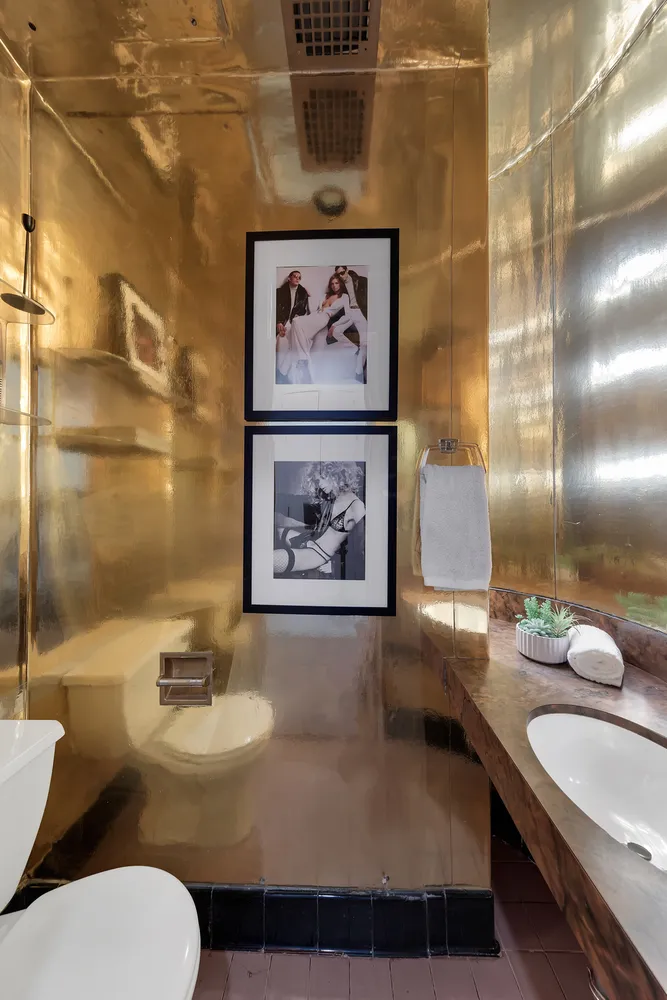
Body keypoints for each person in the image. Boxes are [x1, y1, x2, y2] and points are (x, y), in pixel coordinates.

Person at [274, 462, 365, 579]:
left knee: (269, 560)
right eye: (318, 480)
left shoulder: (357, 506)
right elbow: (297, 503)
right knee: (278, 531)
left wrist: (336, 566)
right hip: (314, 544)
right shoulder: (331, 498)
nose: (320, 484)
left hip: (320, 556)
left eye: (322, 478)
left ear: (337, 475)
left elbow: (361, 552)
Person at [278, 274, 351, 383]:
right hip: (315, 315)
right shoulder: (326, 295)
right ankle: (301, 363)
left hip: (324, 318)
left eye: (336, 283)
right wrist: (309, 296)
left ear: (340, 284)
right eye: (332, 284)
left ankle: (298, 362)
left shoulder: (344, 296)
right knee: (296, 328)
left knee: (296, 322)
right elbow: (313, 310)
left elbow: (348, 315)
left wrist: (335, 325)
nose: (334, 286)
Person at [331, 266, 368, 380]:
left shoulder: (362, 281)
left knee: (365, 342)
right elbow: (332, 294)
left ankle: (358, 373)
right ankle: (354, 348)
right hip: (350, 312)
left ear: (347, 271)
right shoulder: (341, 286)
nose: (341, 276)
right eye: (338, 275)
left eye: (342, 273)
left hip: (360, 312)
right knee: (336, 331)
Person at [276, 270, 310, 337]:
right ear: (289, 278)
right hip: (282, 321)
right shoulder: (279, 292)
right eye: (295, 276)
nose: (297, 279)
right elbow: (276, 308)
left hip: (294, 321)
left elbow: (303, 309)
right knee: (280, 339)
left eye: (299, 277)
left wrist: (298, 316)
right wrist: (278, 321)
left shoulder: (303, 293)